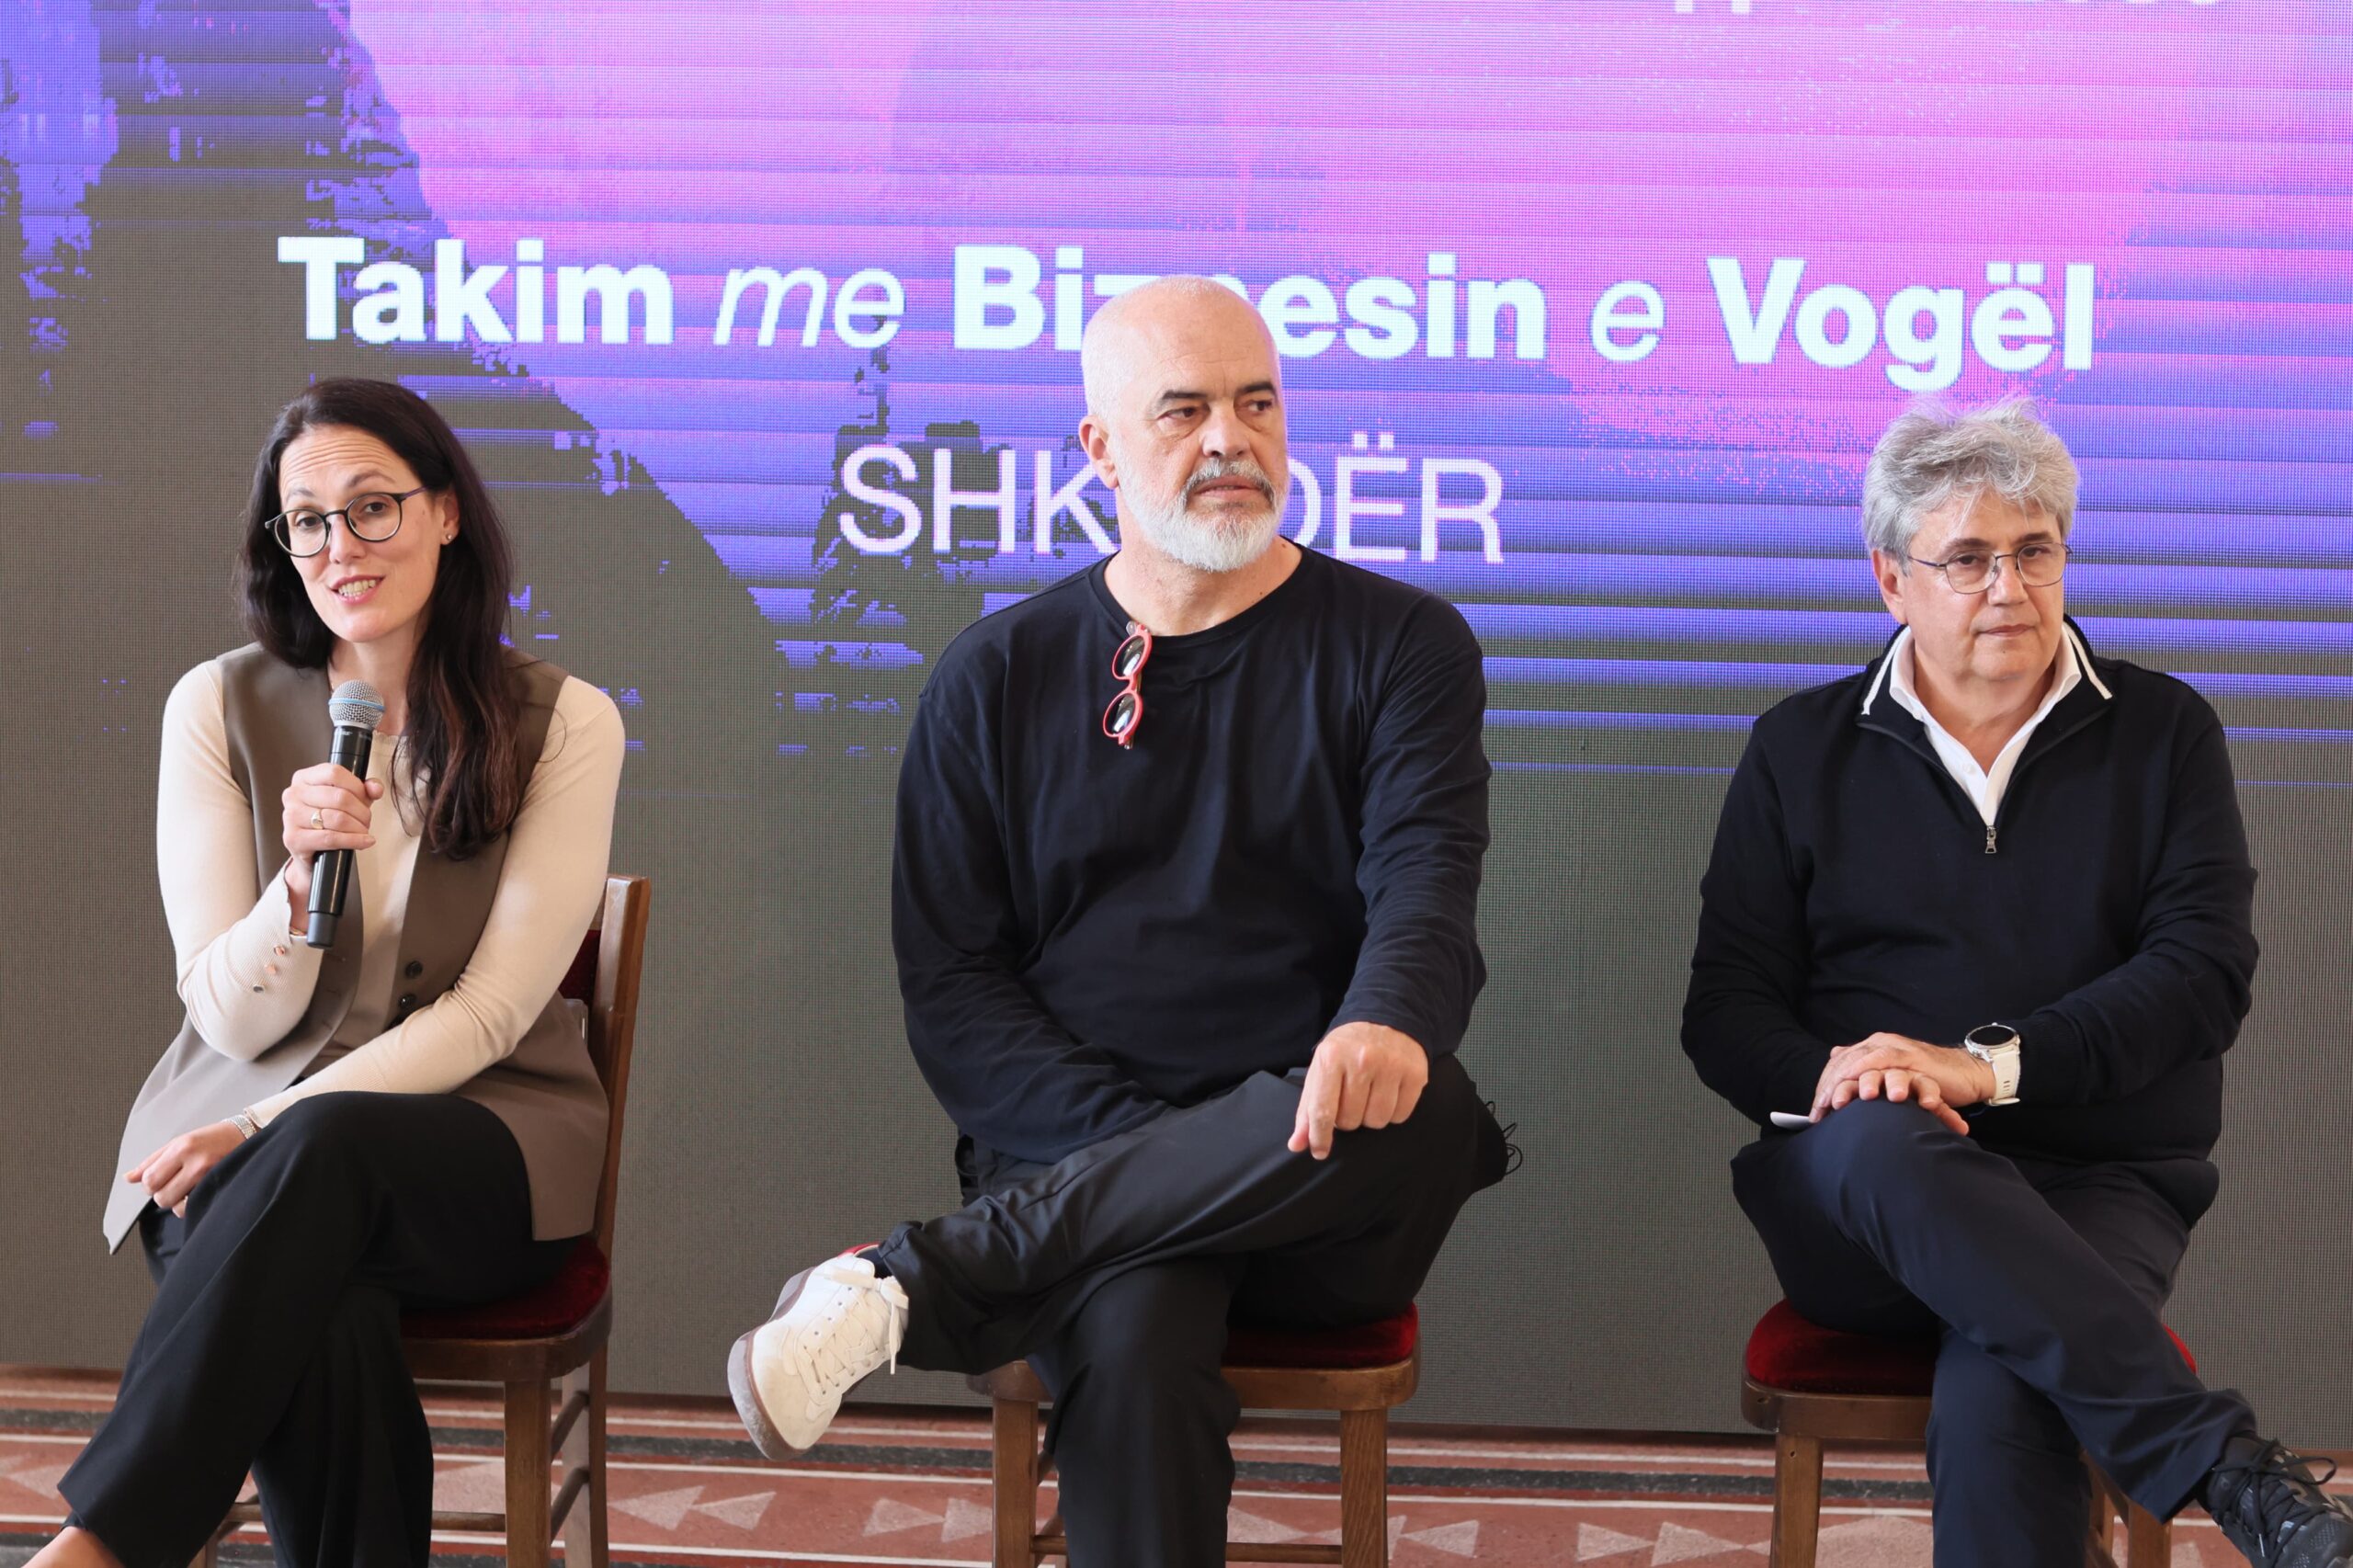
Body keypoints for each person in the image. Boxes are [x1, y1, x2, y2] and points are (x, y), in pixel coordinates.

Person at [726, 276, 1511, 1568]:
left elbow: (1428, 880)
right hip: (1068, 1155)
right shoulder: (994, 674)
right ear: (1099, 446)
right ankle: (1002, 1252)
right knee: (1136, 1318)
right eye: (1184, 410)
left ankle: (909, 1282)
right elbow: (954, 983)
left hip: (1320, 1178)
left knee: (1426, 1102)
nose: (1231, 440)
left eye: (1257, 404)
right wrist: (1152, 1155)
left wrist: (1383, 1018)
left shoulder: (1403, 643)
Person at [1682, 399, 2353, 1568]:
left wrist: (1980, 1068)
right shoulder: (1798, 747)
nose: (2008, 587)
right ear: (1890, 580)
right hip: (1861, 1197)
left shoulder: (2163, 732)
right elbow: (1725, 1010)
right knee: (1882, 1130)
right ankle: (2226, 1466)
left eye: (2033, 550)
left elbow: (2200, 978)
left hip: (2096, 1183)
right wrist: (1861, 1078)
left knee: (2006, 1388)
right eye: (1968, 557)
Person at [40, 379, 627, 1568]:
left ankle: (101, 1545)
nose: (339, 546)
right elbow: (222, 1008)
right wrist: (298, 883)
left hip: (479, 1141)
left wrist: (262, 1126)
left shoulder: (562, 720)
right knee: (329, 1309)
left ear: (446, 511)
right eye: (307, 519)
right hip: (234, 1135)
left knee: (319, 1151)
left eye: (372, 507)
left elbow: (492, 1012)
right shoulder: (216, 705)